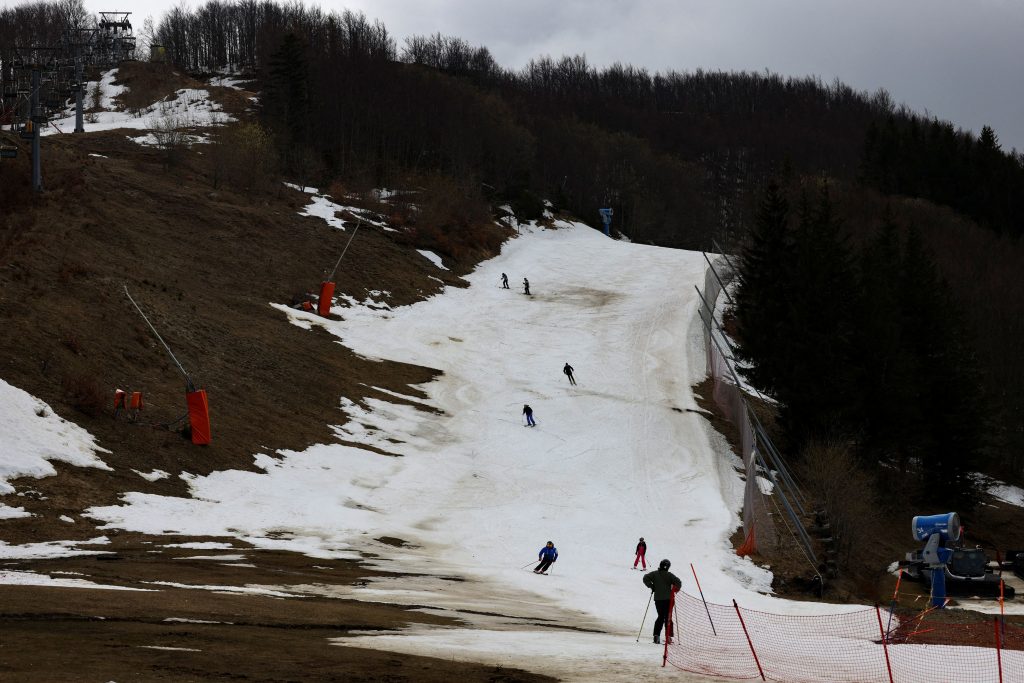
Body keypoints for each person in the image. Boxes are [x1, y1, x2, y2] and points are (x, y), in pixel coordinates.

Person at [643, 559, 682, 644]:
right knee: (668, 618)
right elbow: (678, 582)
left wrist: (652, 586)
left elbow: (645, 578)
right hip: (669, 600)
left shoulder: (654, 574)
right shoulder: (669, 575)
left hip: (658, 599)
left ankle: (656, 636)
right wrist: (675, 589)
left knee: (660, 617)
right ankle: (668, 637)